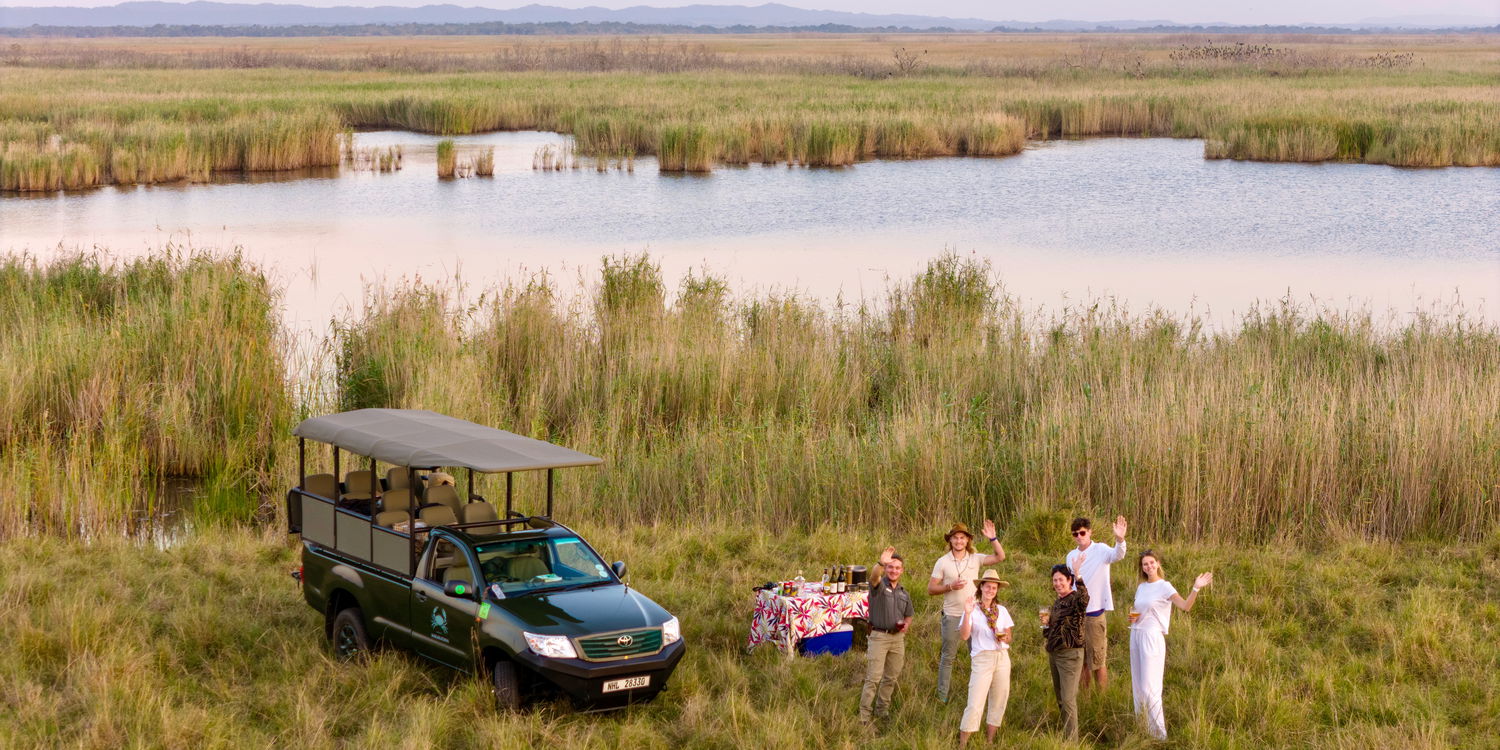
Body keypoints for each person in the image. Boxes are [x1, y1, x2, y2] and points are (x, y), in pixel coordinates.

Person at [1129, 550, 1213, 740]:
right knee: (1139, 687)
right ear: (1141, 568)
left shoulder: (1165, 586)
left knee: (1151, 688)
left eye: (1151, 563)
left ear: (1157, 564)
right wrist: (1132, 617)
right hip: (1135, 635)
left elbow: (1185, 606)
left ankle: (1159, 735)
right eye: (1145, 564)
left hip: (1152, 637)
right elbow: (1136, 611)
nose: (1148, 567)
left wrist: (1196, 588)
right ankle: (1143, 728)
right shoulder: (1141, 587)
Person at [928, 519, 1006, 703]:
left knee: (978, 656)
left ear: (967, 540)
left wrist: (993, 538)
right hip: (953, 616)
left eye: (962, 538)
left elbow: (1000, 556)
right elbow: (931, 589)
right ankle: (942, 697)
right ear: (950, 541)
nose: (958, 541)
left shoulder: (975, 558)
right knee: (948, 657)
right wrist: (950, 586)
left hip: (975, 616)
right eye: (955, 538)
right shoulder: (943, 562)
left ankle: (977, 694)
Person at [1064, 515, 1128, 690]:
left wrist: (1120, 539)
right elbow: (1069, 585)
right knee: (1081, 660)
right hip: (1076, 615)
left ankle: (1102, 698)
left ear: (1090, 532)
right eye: (1075, 534)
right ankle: (1086, 698)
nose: (1079, 536)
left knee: (1098, 660)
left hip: (1095, 614)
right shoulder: (1071, 556)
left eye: (1082, 532)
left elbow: (1118, 555)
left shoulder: (1101, 550)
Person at [957, 570, 1013, 748]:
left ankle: (989, 741)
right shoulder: (972, 609)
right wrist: (966, 614)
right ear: (981, 587)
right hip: (982, 658)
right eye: (987, 586)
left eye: (994, 587)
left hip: (1002, 657)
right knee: (975, 701)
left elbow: (1009, 636)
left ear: (997, 590)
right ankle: (963, 743)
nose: (990, 590)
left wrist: (1004, 638)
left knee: (999, 699)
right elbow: (965, 636)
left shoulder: (1001, 610)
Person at [860, 546, 915, 726]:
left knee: (890, 678)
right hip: (878, 637)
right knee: (873, 678)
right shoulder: (879, 586)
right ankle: (864, 716)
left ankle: (882, 711)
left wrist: (906, 624)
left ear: (902, 570)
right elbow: (874, 576)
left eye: (897, 567)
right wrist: (880, 563)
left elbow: (909, 614)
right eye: (890, 567)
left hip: (897, 639)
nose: (893, 570)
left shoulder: (904, 592)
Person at [1044, 554, 1089, 742]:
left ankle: (1072, 742)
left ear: (1069, 580)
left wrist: (1078, 574)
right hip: (1055, 654)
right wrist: (1046, 626)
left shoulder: (1074, 599)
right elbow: (1052, 631)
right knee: (1061, 698)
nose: (1057, 583)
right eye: (1055, 580)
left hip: (1070, 655)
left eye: (1061, 579)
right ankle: (1066, 735)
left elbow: (1085, 599)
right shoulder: (1057, 602)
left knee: (1068, 699)